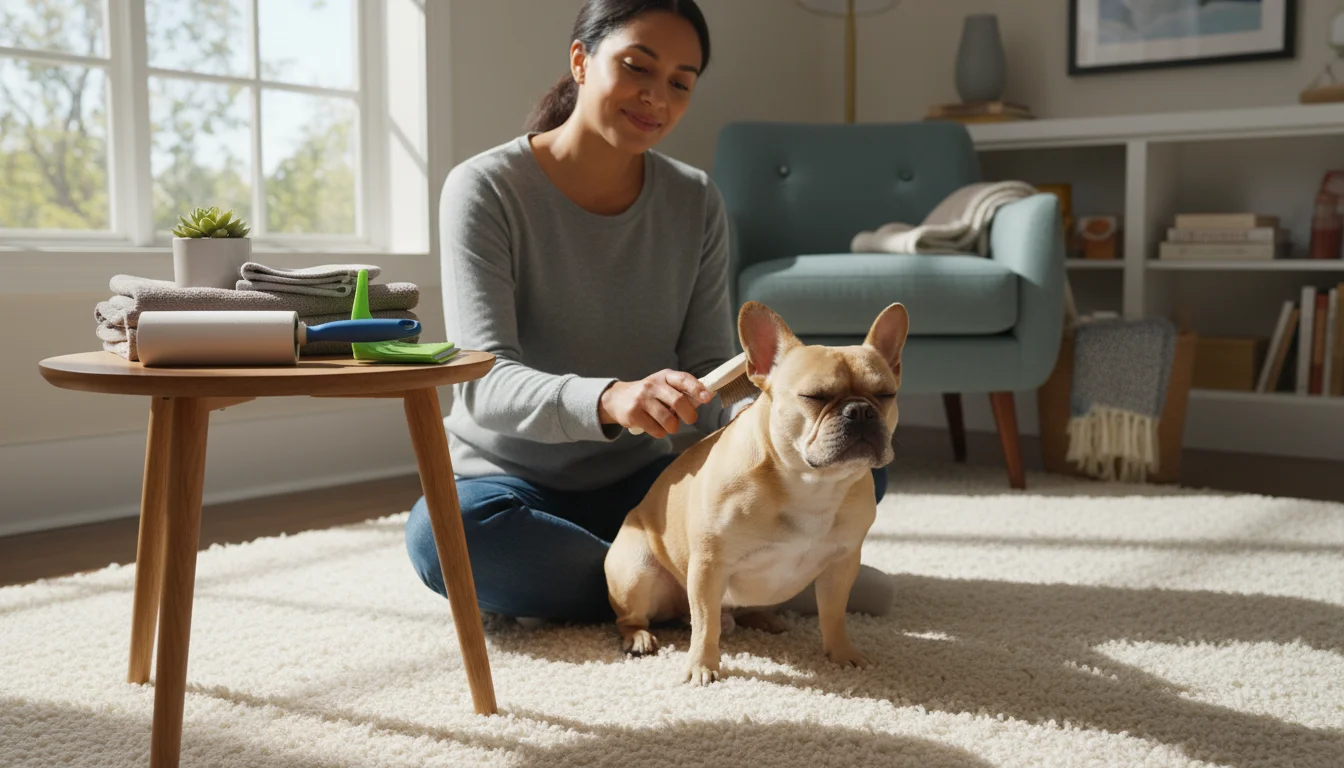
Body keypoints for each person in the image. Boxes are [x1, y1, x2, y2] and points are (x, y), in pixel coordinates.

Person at [404, 0, 893, 626]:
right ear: (581, 61)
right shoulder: (486, 188)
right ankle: (739, 582)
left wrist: (762, 416)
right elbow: (484, 381)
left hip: (651, 488)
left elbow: (708, 364)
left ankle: (698, 576)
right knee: (446, 540)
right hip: (510, 483)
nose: (656, 97)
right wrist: (610, 399)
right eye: (637, 67)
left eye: (680, 82)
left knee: (849, 463)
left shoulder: (694, 199)